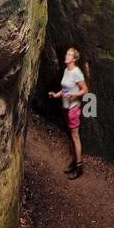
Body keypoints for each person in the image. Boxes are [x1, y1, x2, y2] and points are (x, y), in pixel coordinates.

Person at [48, 46, 88, 178]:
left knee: (75, 136)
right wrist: (56, 95)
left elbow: (85, 90)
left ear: (74, 58)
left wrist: (74, 95)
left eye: (69, 55)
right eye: (67, 54)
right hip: (66, 107)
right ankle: (74, 161)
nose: (66, 56)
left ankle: (79, 166)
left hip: (73, 108)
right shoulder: (66, 70)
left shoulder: (77, 72)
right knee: (70, 136)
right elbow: (65, 88)